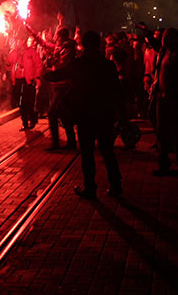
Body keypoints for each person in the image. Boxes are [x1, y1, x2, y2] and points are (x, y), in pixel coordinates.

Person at [47, 31, 123, 199]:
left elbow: (61, 73)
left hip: (86, 114)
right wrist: (122, 115)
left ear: (85, 45)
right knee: (107, 150)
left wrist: (47, 74)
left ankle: (90, 187)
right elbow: (117, 92)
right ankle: (115, 185)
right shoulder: (107, 65)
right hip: (104, 114)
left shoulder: (79, 64)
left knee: (87, 153)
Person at [152, 28, 178, 174]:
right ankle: (163, 163)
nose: (163, 40)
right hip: (161, 97)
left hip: (175, 98)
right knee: (162, 132)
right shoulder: (164, 52)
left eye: (166, 37)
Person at [7, 36, 41, 130]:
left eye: (19, 40)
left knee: (28, 102)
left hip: (28, 80)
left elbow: (38, 65)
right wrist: (8, 65)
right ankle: (25, 122)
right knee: (21, 102)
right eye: (16, 41)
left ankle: (32, 119)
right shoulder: (13, 53)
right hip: (17, 80)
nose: (18, 43)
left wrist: (37, 77)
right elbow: (8, 66)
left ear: (23, 41)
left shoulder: (32, 52)